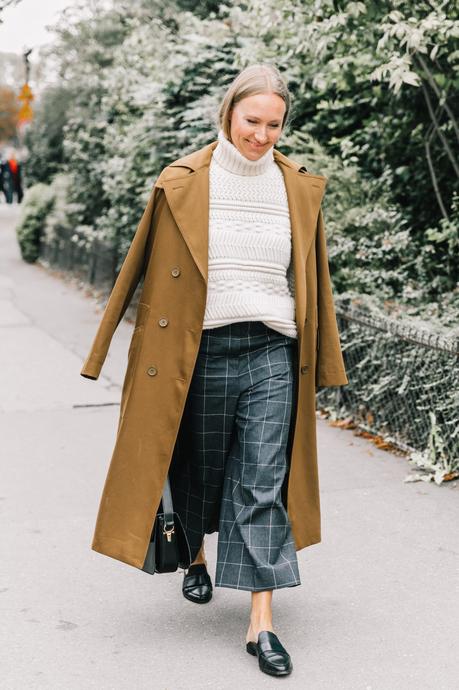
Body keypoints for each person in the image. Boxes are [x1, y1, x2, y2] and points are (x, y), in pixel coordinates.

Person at [80, 63, 348, 678]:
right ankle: (194, 557)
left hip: (271, 351)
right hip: (198, 352)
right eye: (252, 121)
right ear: (228, 114)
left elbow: (315, 281)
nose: (262, 135)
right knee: (198, 470)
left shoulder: (297, 189)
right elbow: (137, 268)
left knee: (260, 482)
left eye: (274, 124)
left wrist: (324, 359)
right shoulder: (182, 181)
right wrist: (101, 352)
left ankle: (261, 625)